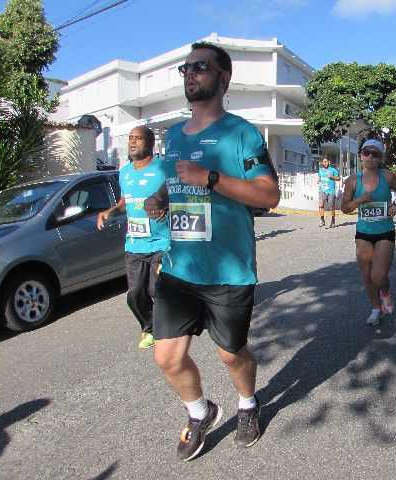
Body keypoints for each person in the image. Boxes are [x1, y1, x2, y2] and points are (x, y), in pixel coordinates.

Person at [143, 42, 280, 461]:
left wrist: (211, 178)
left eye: (200, 67)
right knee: (166, 357)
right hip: (179, 266)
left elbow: (269, 193)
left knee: (231, 354)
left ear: (223, 78)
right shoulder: (172, 136)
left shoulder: (241, 133)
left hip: (228, 271)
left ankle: (247, 404)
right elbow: (173, 182)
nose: (190, 73)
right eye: (185, 68)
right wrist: (160, 200)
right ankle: (201, 411)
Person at [97, 126, 170, 350]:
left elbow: (177, 193)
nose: (132, 142)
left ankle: (168, 326)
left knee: (155, 289)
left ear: (150, 143)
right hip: (134, 244)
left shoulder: (163, 168)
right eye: (130, 138)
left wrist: (167, 203)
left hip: (161, 242)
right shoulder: (125, 173)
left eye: (138, 138)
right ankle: (150, 328)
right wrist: (110, 212)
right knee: (135, 294)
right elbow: (124, 203)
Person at [341, 139, 396, 326]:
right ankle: (377, 309)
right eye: (365, 152)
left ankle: (385, 293)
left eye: (374, 153)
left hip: (385, 230)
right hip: (363, 232)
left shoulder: (388, 177)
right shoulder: (353, 180)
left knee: (378, 276)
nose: (369, 156)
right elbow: (344, 208)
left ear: (380, 158)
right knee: (367, 276)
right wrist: (358, 201)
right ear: (360, 154)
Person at [318, 157, 340, 228]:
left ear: (329, 162)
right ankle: (322, 220)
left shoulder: (333, 170)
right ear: (322, 163)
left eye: (326, 162)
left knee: (331, 207)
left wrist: (332, 177)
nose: (325, 163)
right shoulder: (320, 170)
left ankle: (333, 221)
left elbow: (339, 178)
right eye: (324, 162)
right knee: (321, 205)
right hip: (322, 190)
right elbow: (319, 177)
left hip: (331, 191)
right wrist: (319, 179)